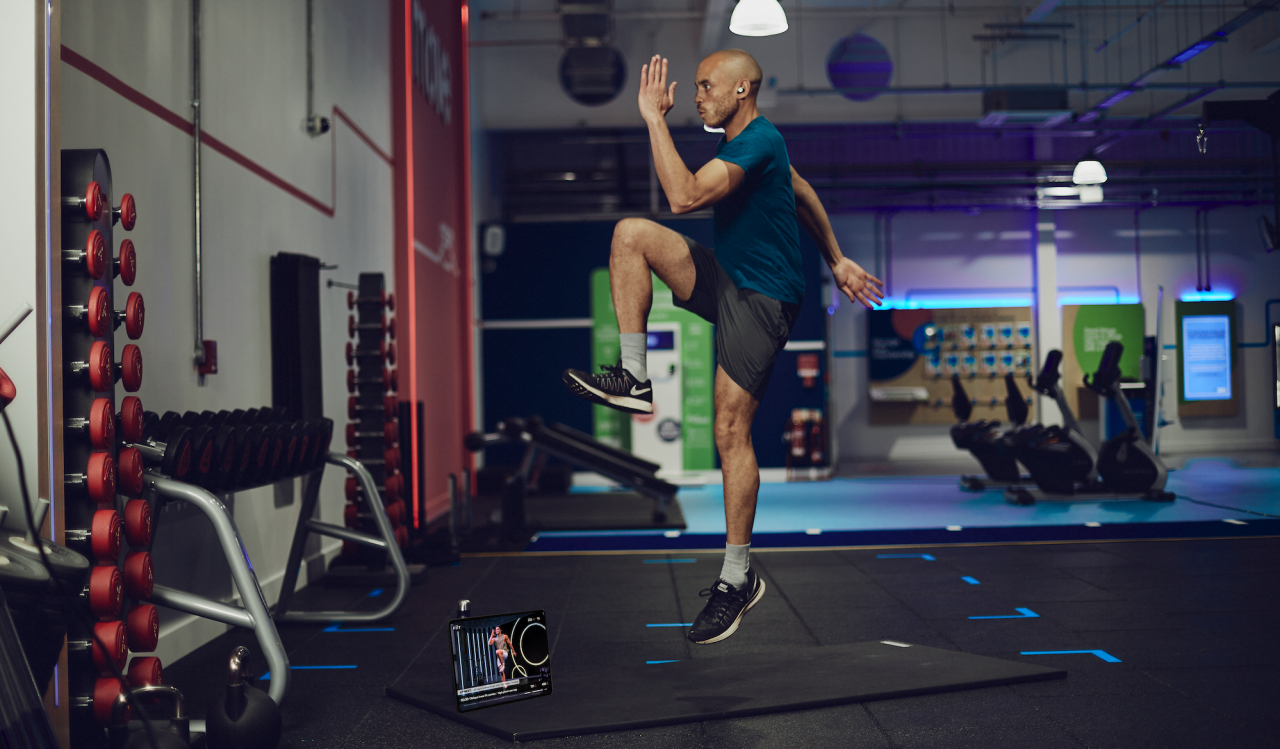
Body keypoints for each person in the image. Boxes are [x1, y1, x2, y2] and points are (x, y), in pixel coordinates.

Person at [563, 49, 885, 644]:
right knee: (630, 235)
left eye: (707, 86)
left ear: (741, 92)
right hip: (730, 279)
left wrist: (652, 120)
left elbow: (683, 198)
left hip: (764, 299)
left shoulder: (757, 140)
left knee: (729, 430)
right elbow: (803, 190)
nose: (697, 95)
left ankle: (738, 579)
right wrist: (837, 260)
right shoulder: (760, 149)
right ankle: (634, 377)